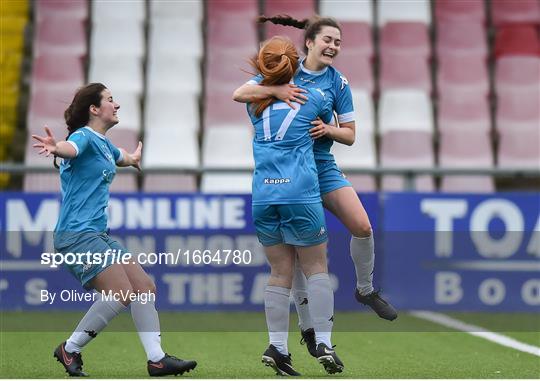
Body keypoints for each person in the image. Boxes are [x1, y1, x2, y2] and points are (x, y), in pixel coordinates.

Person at [234, 14, 398, 357]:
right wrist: (275, 88)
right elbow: (241, 92)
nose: (333, 47)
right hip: (294, 170)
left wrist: (328, 131)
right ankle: (310, 330)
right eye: (328, 40)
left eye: (338, 42)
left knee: (362, 225)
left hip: (321, 167)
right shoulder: (285, 68)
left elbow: (350, 135)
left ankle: (365, 290)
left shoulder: (338, 83)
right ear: (308, 42)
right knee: (296, 259)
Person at [32, 83, 197, 377]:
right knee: (120, 292)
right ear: (94, 109)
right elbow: (72, 148)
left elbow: (118, 155)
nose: (116, 104)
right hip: (76, 235)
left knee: (144, 288)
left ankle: (157, 359)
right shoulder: (82, 137)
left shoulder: (104, 144)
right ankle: (70, 349)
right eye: (110, 100)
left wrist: (131, 159)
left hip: (96, 235)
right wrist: (57, 147)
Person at [246, 36, 344, 376]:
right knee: (316, 267)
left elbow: (245, 89)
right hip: (300, 193)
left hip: (263, 196)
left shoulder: (253, 103)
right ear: (293, 63)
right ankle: (325, 342)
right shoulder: (313, 97)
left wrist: (269, 85)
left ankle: (278, 346)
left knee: (279, 273)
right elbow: (339, 129)